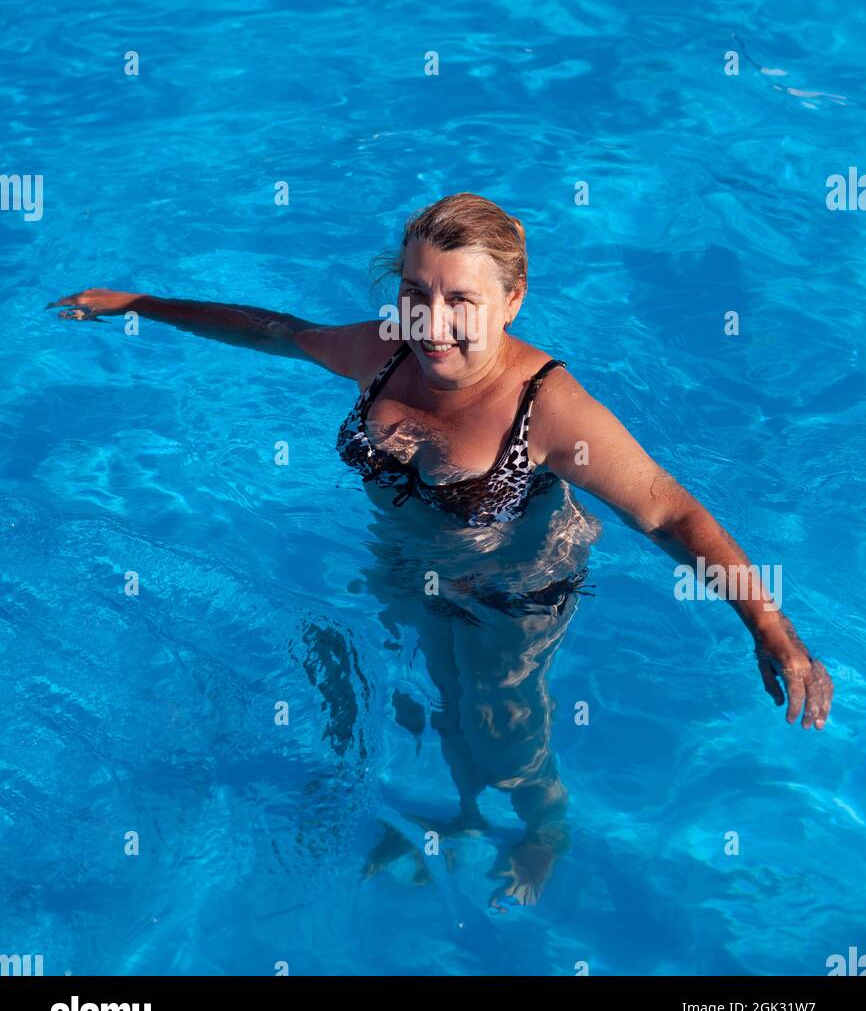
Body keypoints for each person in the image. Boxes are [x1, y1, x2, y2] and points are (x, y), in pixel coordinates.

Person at [49, 191, 833, 903]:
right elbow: (280, 333)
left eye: (461, 299)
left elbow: (667, 512)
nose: (431, 321)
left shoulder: (546, 405)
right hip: (407, 568)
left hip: (511, 597)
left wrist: (770, 628)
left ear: (512, 301)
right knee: (431, 703)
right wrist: (139, 303)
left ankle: (544, 828)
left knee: (506, 730)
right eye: (415, 292)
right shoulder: (385, 351)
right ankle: (460, 815)